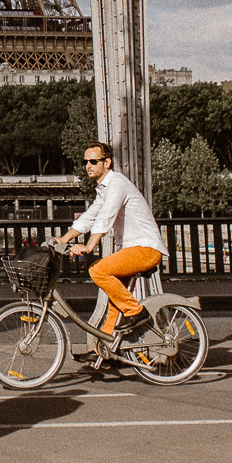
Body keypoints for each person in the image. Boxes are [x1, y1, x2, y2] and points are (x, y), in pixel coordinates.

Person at [59, 140, 167, 338]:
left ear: (106, 163)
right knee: (114, 302)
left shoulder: (117, 183)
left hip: (146, 248)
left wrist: (89, 246)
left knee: (97, 269)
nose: (88, 166)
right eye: (85, 162)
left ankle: (135, 311)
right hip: (131, 250)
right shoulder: (104, 189)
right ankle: (105, 350)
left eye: (93, 161)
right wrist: (62, 239)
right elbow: (90, 217)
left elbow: (105, 217)